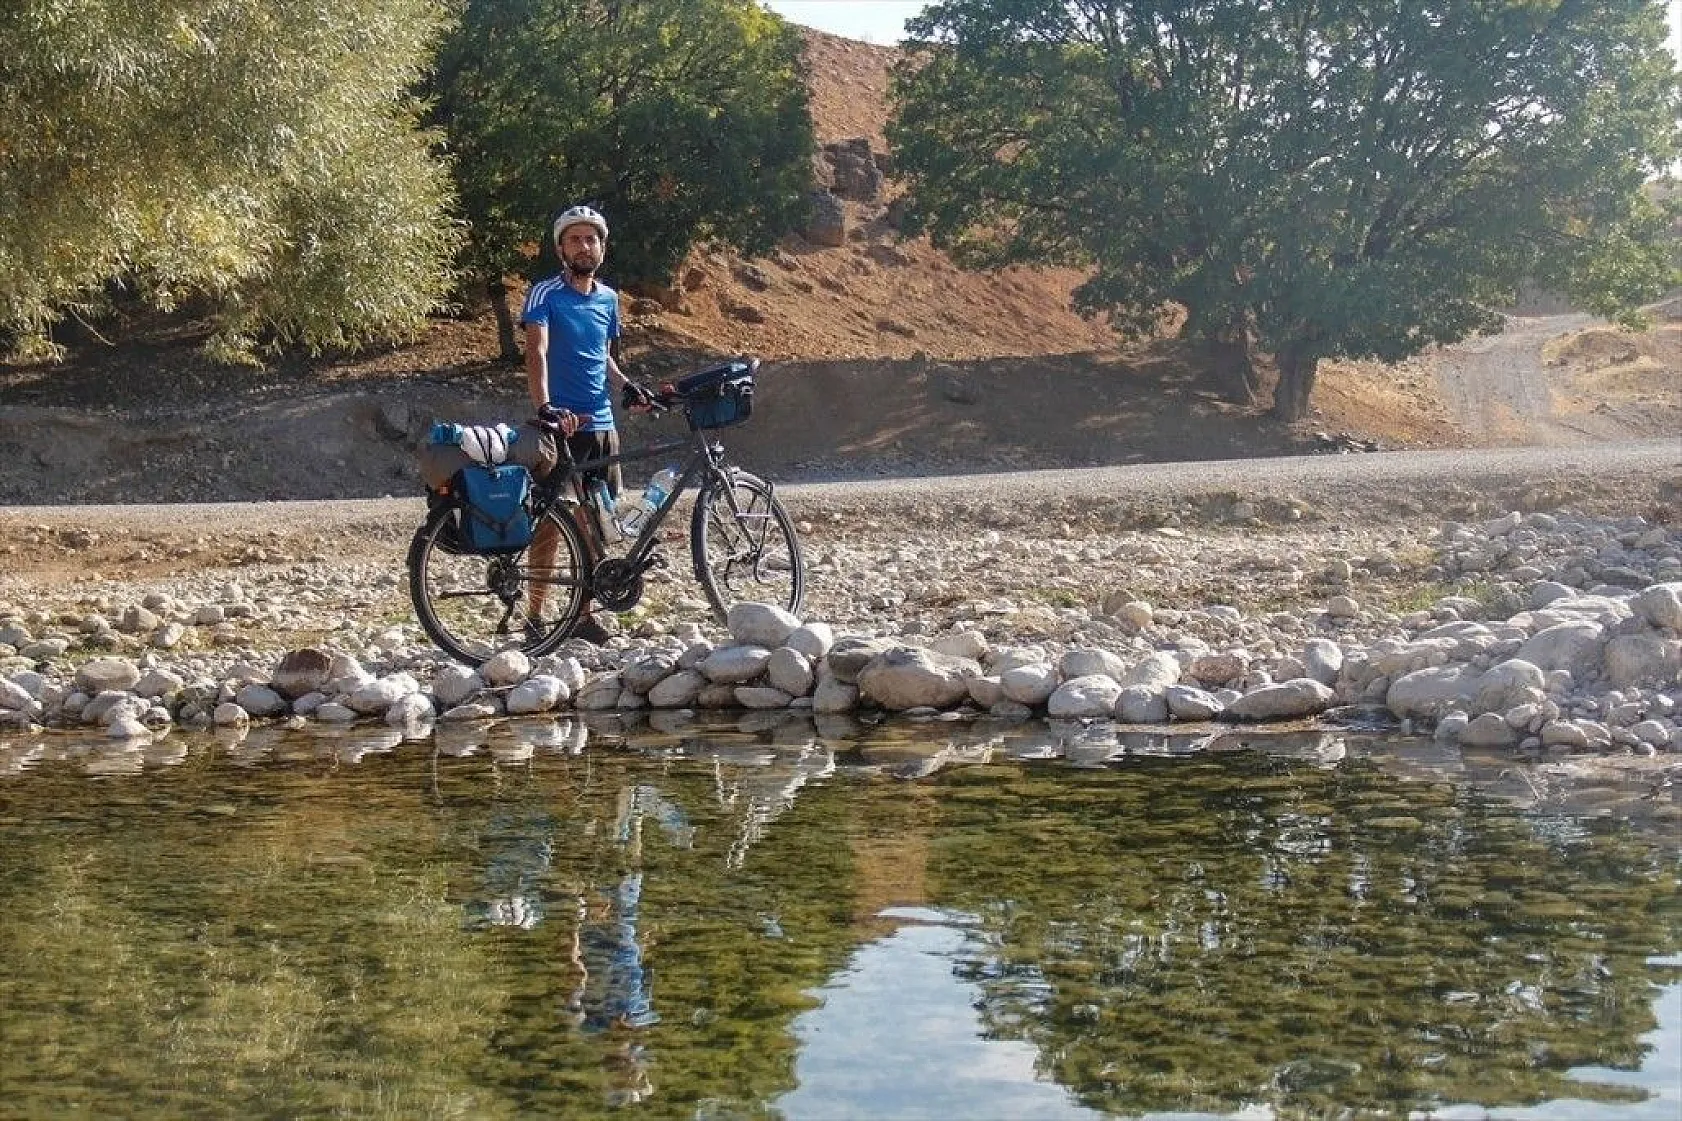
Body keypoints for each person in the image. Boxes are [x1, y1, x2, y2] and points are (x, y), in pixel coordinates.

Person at [520, 204, 653, 644]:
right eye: (575, 239)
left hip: (600, 424)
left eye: (591, 239)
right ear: (561, 248)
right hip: (560, 425)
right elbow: (536, 351)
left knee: (594, 521)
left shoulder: (609, 299)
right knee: (549, 524)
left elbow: (603, 355)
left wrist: (627, 385)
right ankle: (535, 614)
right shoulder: (544, 294)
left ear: (602, 247)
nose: (584, 246)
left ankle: (582, 614)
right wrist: (545, 408)